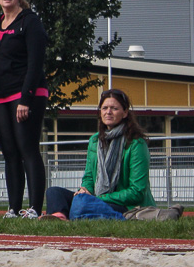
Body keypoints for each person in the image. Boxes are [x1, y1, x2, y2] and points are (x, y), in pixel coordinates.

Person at [44, 89, 163, 220]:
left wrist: (99, 198)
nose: (108, 112)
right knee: (54, 192)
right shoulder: (95, 141)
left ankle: (77, 212)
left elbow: (137, 192)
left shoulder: (136, 144)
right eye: (104, 108)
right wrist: (86, 190)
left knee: (84, 202)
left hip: (127, 206)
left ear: (125, 113)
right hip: (96, 198)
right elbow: (89, 176)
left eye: (114, 108)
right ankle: (59, 217)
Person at [0, 0, 49, 219]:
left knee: (28, 149)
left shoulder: (30, 22)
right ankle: (13, 208)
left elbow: (35, 64)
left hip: (26, 95)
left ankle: (35, 207)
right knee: (9, 152)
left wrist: (26, 99)